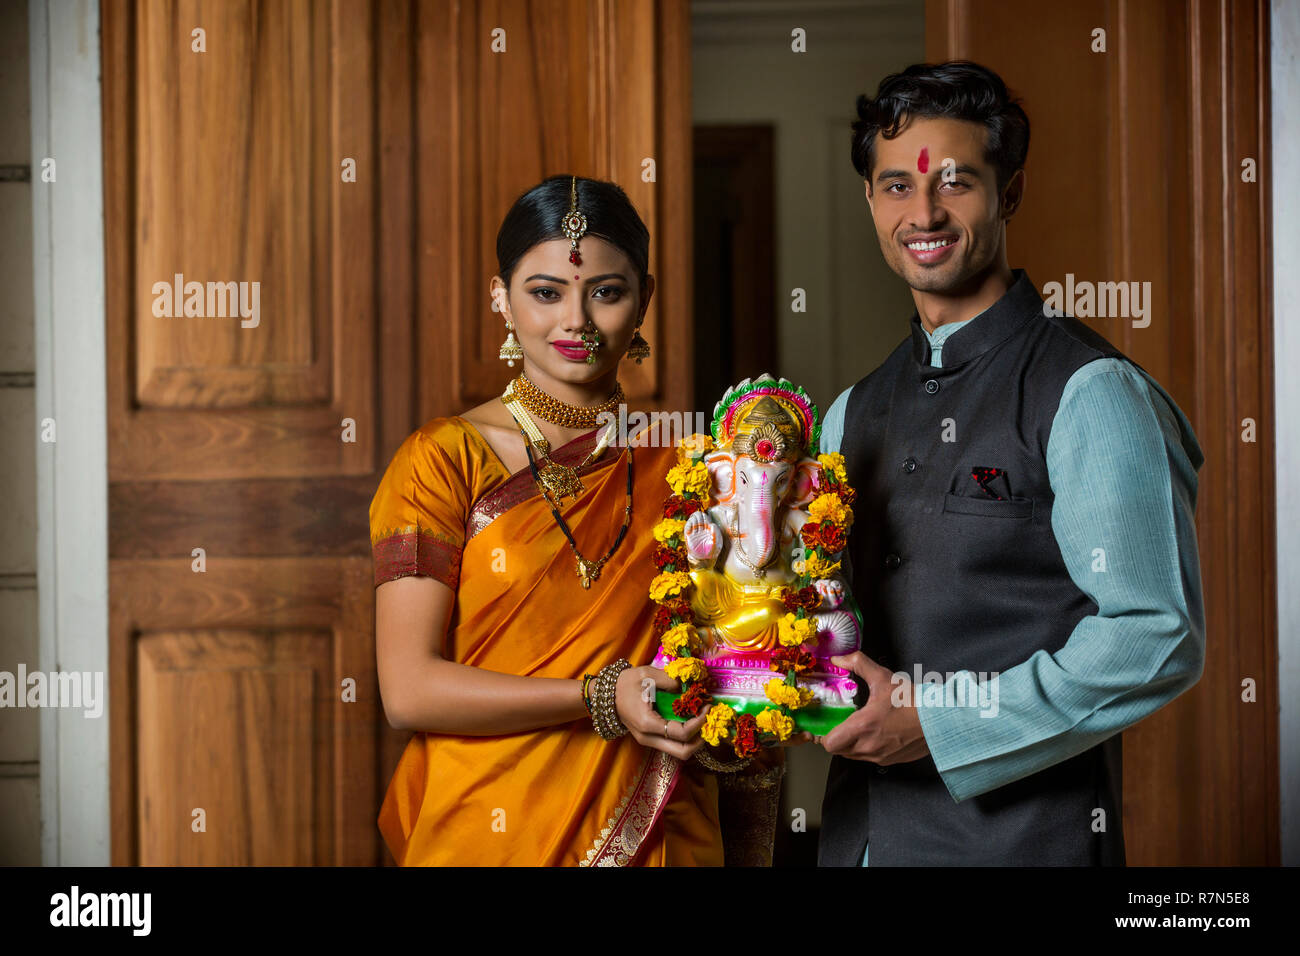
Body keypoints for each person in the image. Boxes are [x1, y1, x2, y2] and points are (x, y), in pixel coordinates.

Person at [814, 62, 1205, 865]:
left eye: (954, 182)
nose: (923, 212)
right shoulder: (847, 412)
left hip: (1027, 846)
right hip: (858, 842)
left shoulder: (1090, 391)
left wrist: (942, 722)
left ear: (1010, 192)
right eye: (895, 186)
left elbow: (1154, 635)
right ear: (869, 201)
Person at [370, 175, 776, 866]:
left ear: (644, 298)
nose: (577, 322)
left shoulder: (694, 464)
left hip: (657, 825)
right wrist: (601, 695)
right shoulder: (443, 460)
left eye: (606, 292)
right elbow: (408, 690)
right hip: (487, 832)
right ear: (501, 298)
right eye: (546, 292)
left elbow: (737, 670)